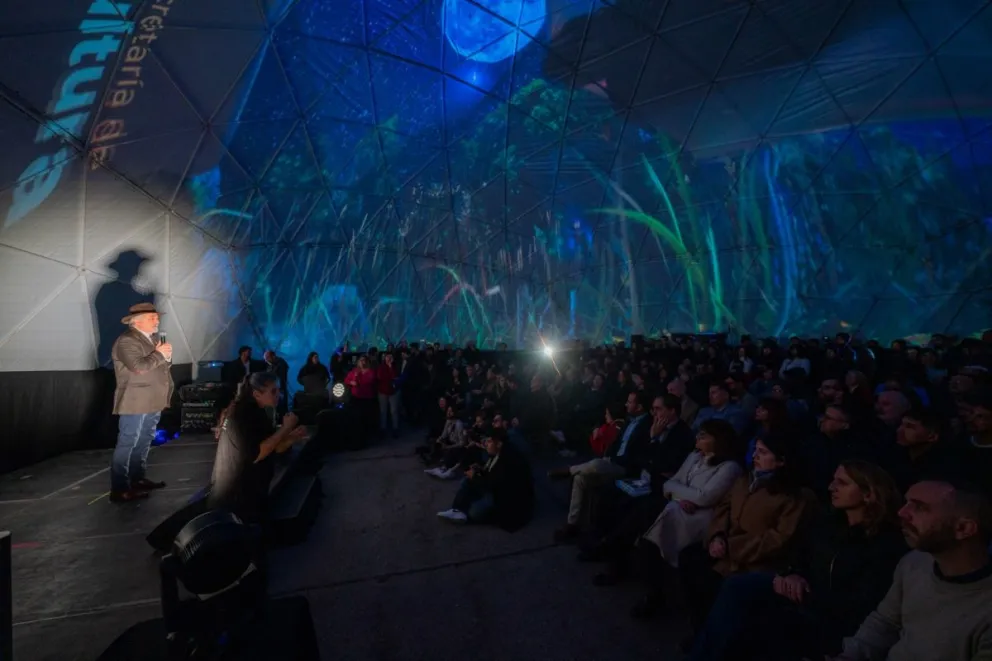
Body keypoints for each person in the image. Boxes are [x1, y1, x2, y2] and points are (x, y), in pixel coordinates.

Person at [688, 460, 906, 660]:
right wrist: (791, 574)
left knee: (756, 615)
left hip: (828, 611)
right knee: (738, 586)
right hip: (801, 589)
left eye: (842, 483)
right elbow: (801, 555)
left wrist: (804, 591)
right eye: (833, 480)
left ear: (868, 493)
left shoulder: (883, 543)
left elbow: (862, 601)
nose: (832, 487)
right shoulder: (829, 523)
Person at [829, 476, 992, 661]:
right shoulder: (915, 563)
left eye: (919, 507)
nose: (901, 513)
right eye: (906, 503)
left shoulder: (985, 609)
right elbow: (885, 623)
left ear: (963, 528)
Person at [208, 372, 307, 526]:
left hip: (250, 492)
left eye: (278, 390)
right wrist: (286, 428)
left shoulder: (256, 411)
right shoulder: (244, 415)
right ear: (256, 394)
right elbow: (258, 453)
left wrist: (291, 437)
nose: (278, 395)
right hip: (238, 498)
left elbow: (273, 447)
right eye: (273, 391)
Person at [109, 302, 173, 503]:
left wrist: (166, 357)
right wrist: (160, 354)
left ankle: (137, 478)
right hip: (135, 399)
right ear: (136, 322)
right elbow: (138, 367)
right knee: (128, 441)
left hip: (153, 398)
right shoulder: (127, 341)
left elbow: (161, 365)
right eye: (152, 318)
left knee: (145, 439)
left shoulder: (152, 340)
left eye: (157, 317)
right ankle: (119, 488)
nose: (157, 320)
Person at [437, 428, 535, 532]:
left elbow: (494, 484)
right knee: (467, 481)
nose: (486, 444)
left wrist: (475, 476)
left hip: (509, 501)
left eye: (489, 441)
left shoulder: (508, 460)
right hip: (498, 491)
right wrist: (480, 469)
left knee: (475, 512)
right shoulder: (500, 452)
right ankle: (457, 510)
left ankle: (463, 511)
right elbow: (492, 475)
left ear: (499, 444)